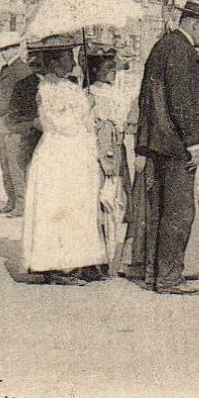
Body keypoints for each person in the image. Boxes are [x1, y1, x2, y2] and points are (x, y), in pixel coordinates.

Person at [125, 0, 199, 295]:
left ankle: (156, 273)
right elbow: (181, 101)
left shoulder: (163, 45)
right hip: (175, 145)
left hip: (157, 142)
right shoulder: (181, 50)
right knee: (179, 212)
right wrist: (193, 142)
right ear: (194, 22)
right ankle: (169, 276)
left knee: (159, 210)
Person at [20, 37, 105, 284]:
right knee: (60, 207)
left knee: (77, 206)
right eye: (67, 56)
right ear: (55, 62)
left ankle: (78, 261)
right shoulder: (48, 89)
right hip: (58, 155)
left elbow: (83, 123)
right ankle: (57, 266)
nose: (72, 61)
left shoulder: (69, 86)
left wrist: (90, 113)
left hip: (75, 154)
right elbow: (59, 124)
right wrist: (83, 109)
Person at [87, 44, 132, 268]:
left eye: (114, 67)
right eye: (108, 67)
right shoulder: (93, 95)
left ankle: (109, 255)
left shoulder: (115, 93)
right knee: (103, 202)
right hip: (104, 152)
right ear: (95, 70)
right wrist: (105, 157)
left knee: (117, 201)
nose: (113, 71)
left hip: (118, 149)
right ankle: (99, 257)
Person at [0, 32, 33, 217]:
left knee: (16, 165)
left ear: (16, 48)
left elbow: (22, 101)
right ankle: (11, 200)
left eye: (7, 48)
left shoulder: (23, 70)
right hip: (2, 124)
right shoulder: (5, 69)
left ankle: (21, 204)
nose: (4, 52)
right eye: (2, 49)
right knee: (5, 165)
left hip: (14, 125)